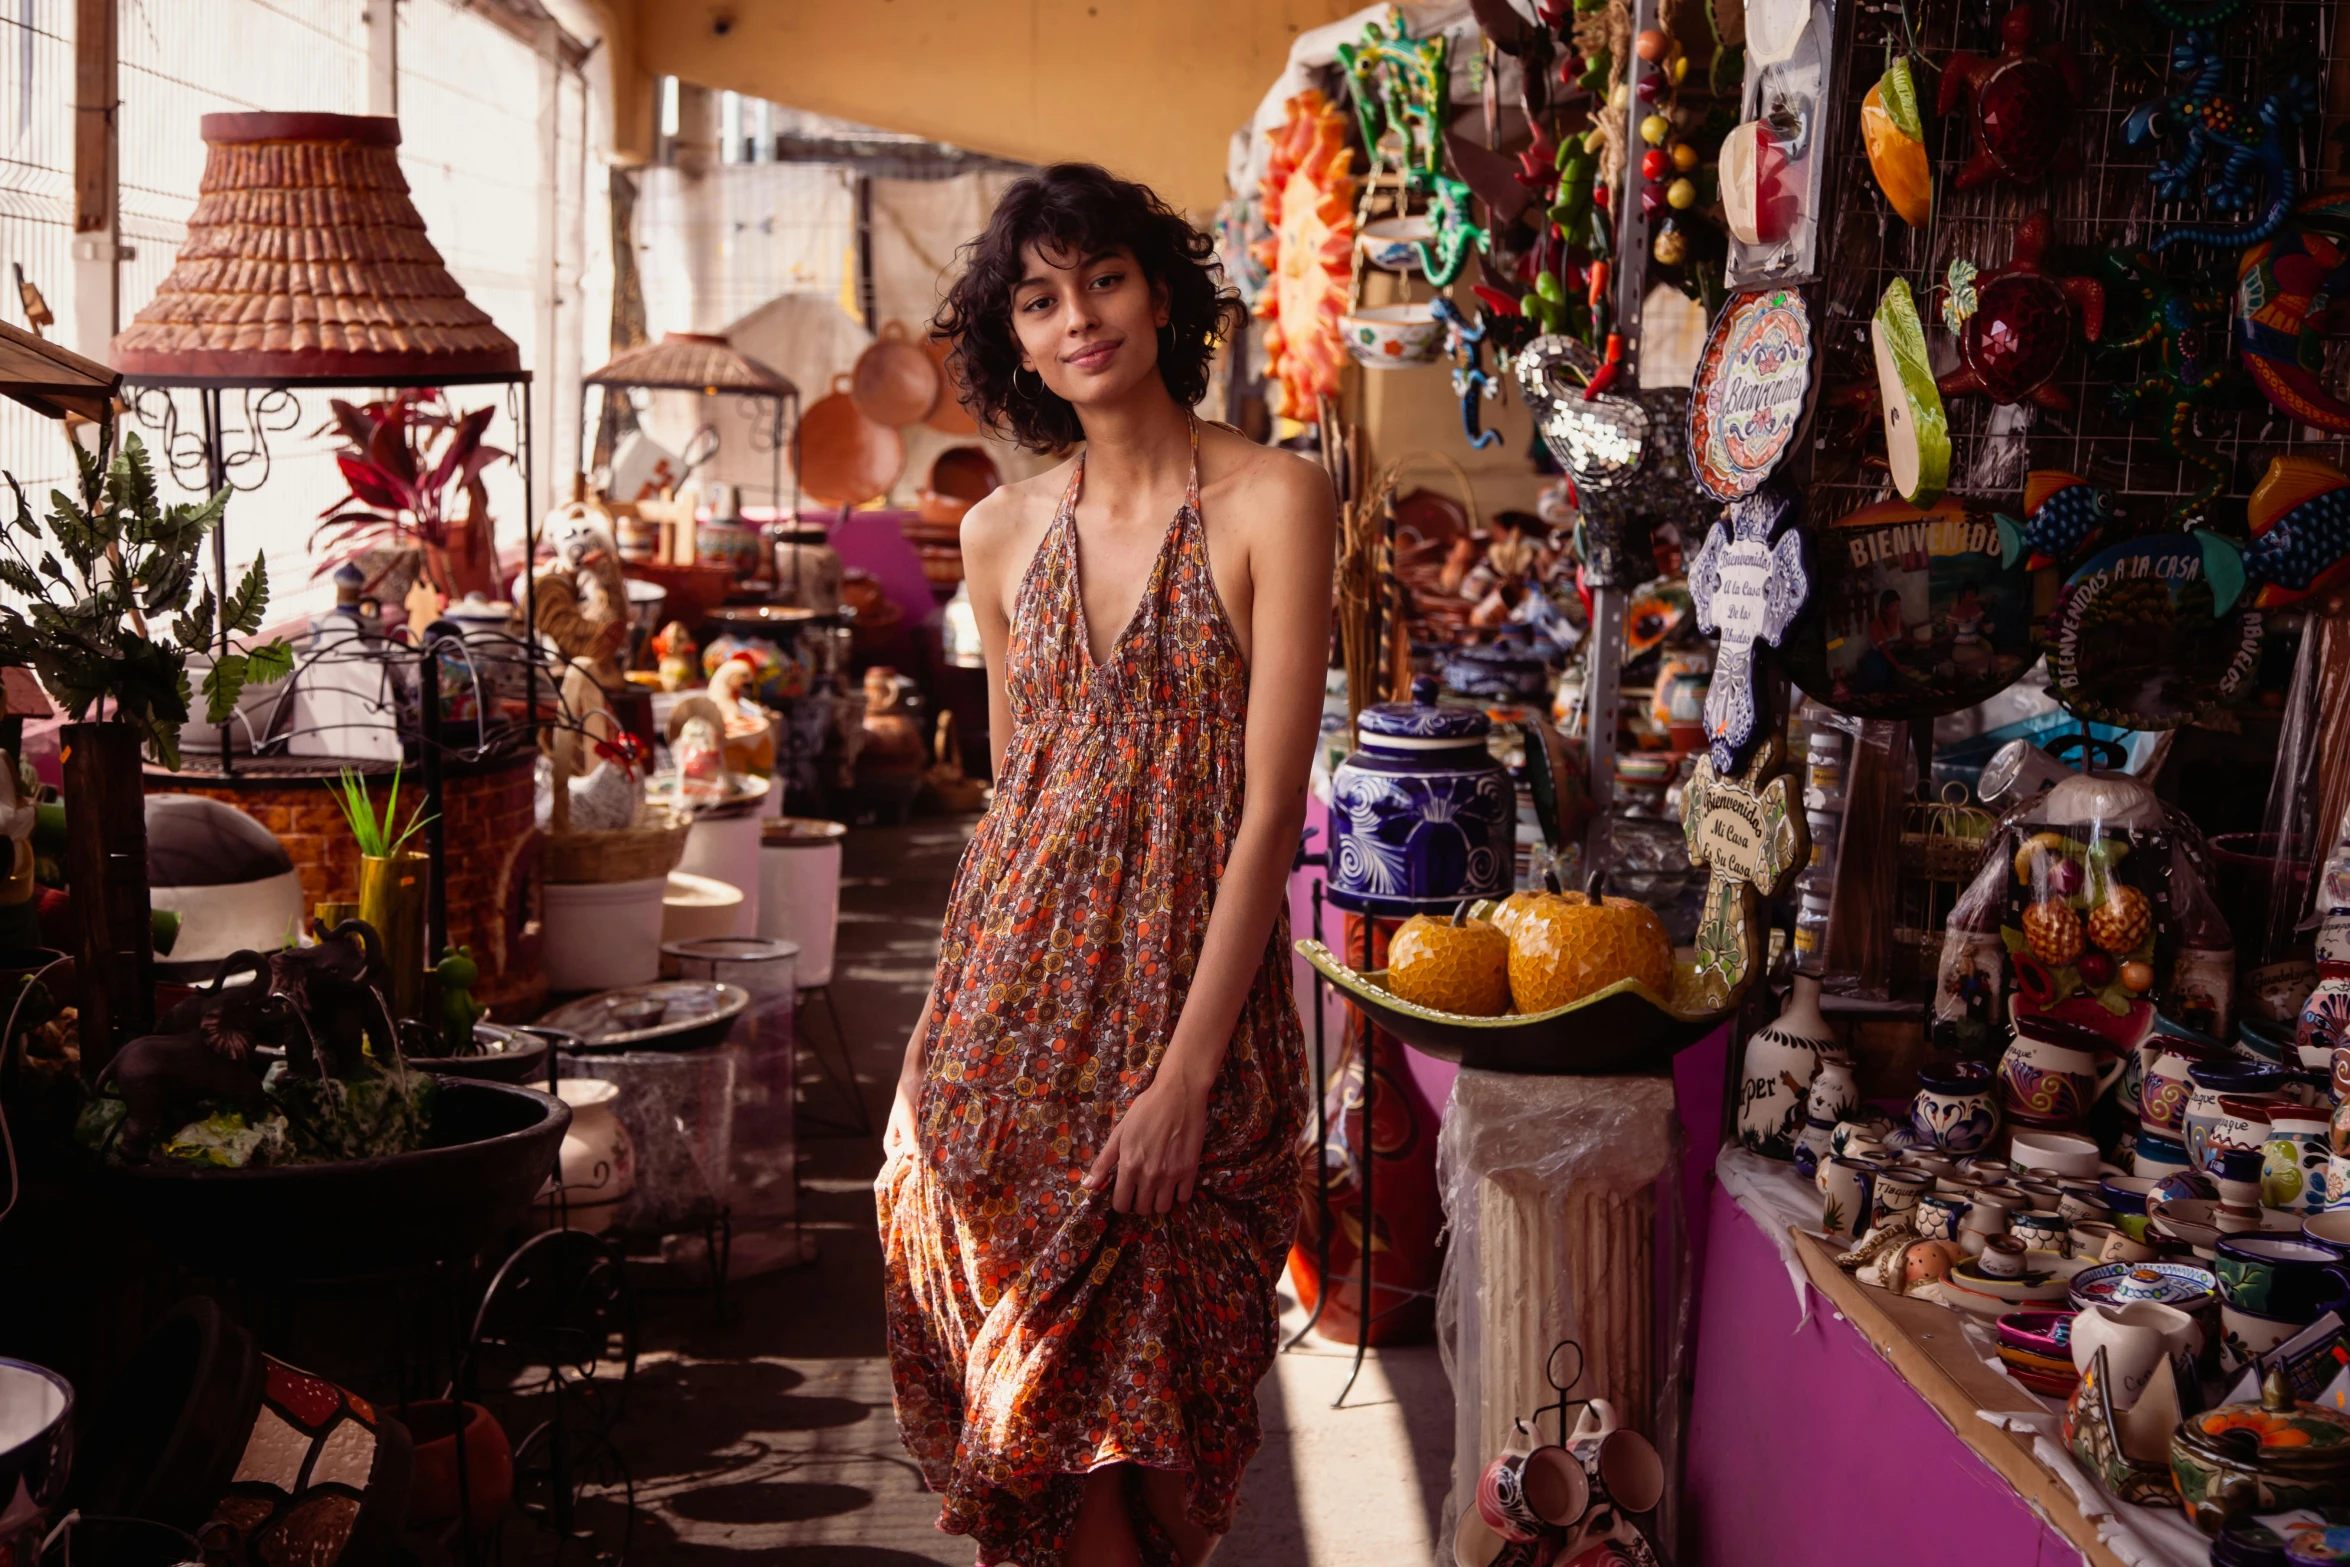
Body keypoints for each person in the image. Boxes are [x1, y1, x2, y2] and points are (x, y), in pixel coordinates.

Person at [876, 163, 1333, 1567]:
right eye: (1038, 297)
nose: (1078, 317)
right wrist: (918, 1061)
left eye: (1104, 278)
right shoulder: (998, 531)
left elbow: (1267, 814)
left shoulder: (1273, 498)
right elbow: (1017, 809)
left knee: (1180, 1459)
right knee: (1061, 1459)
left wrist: (1186, 1079)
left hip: (1191, 1030)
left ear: (1159, 294)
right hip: (1009, 1040)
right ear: (1012, 342)